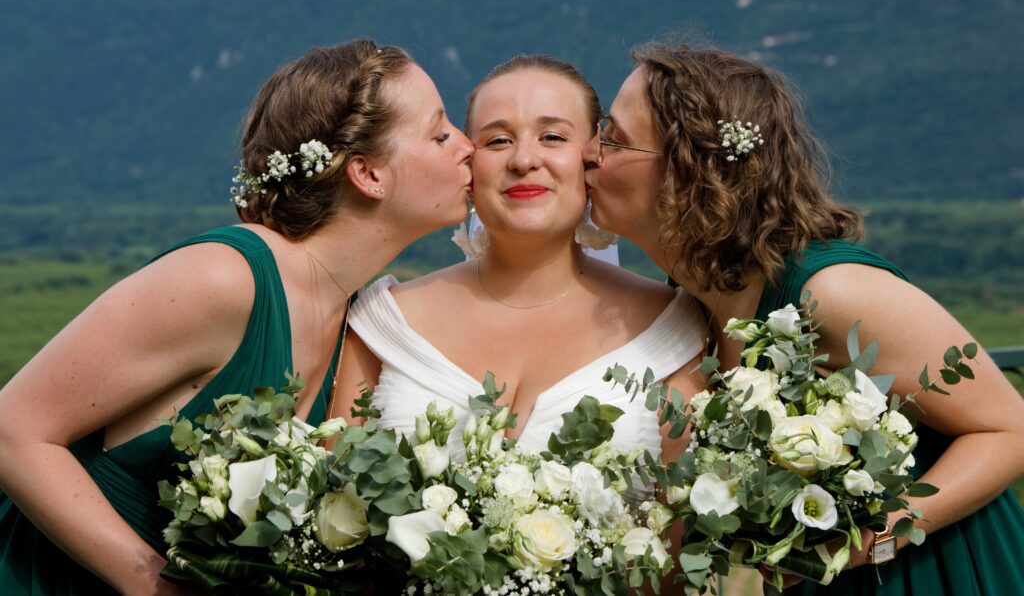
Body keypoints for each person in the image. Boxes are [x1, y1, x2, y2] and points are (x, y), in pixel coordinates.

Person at [0, 39, 474, 595]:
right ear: (368, 174)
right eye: (440, 134)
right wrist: (150, 583)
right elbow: (14, 430)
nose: (467, 147)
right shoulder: (224, 280)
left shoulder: (354, 318)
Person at [582, 42, 1024, 594]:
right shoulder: (692, 297)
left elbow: (1010, 428)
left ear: (686, 169)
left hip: (937, 569)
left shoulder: (832, 292)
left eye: (614, 138)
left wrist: (871, 542)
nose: (590, 152)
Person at [332, 54, 708, 483]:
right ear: (468, 164)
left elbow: (682, 521)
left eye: (552, 137)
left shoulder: (672, 328)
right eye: (496, 141)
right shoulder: (383, 323)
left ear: (593, 158)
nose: (523, 160)